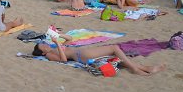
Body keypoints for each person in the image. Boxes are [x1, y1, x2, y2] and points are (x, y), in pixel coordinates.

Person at [33, 37, 166, 76]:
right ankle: (135, 69)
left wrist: (59, 36)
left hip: (82, 53)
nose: (45, 45)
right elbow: (63, 60)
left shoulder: (54, 48)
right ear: (43, 53)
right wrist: (56, 43)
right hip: (81, 55)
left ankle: (146, 68)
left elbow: (70, 40)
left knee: (118, 58)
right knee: (114, 48)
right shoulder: (50, 54)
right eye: (42, 46)